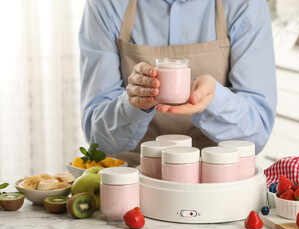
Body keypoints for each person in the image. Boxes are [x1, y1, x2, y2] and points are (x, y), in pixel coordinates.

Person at [79, 0, 277, 166]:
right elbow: (97, 138)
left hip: (218, 177)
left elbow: (256, 135)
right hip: (130, 177)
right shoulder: (107, 4)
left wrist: (214, 99)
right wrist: (131, 105)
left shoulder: (245, 4)